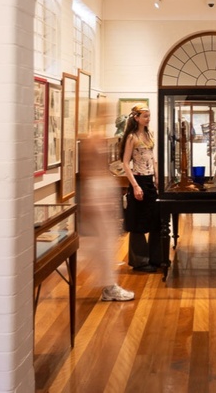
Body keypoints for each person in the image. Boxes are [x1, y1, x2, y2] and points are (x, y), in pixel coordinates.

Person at [79, 100, 134, 302]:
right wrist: (90, 201)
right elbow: (86, 171)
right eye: (105, 111)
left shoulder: (102, 138)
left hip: (104, 188)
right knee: (103, 241)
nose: (108, 114)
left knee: (108, 240)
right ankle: (109, 286)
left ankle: (109, 283)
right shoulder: (91, 140)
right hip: (96, 191)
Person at [119, 103, 163, 272]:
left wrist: (157, 177)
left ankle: (156, 257)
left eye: (149, 115)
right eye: (145, 116)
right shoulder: (132, 137)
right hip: (138, 180)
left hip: (150, 180)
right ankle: (140, 261)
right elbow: (125, 163)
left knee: (156, 219)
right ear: (136, 118)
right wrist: (135, 186)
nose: (148, 118)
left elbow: (153, 158)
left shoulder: (150, 135)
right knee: (137, 221)